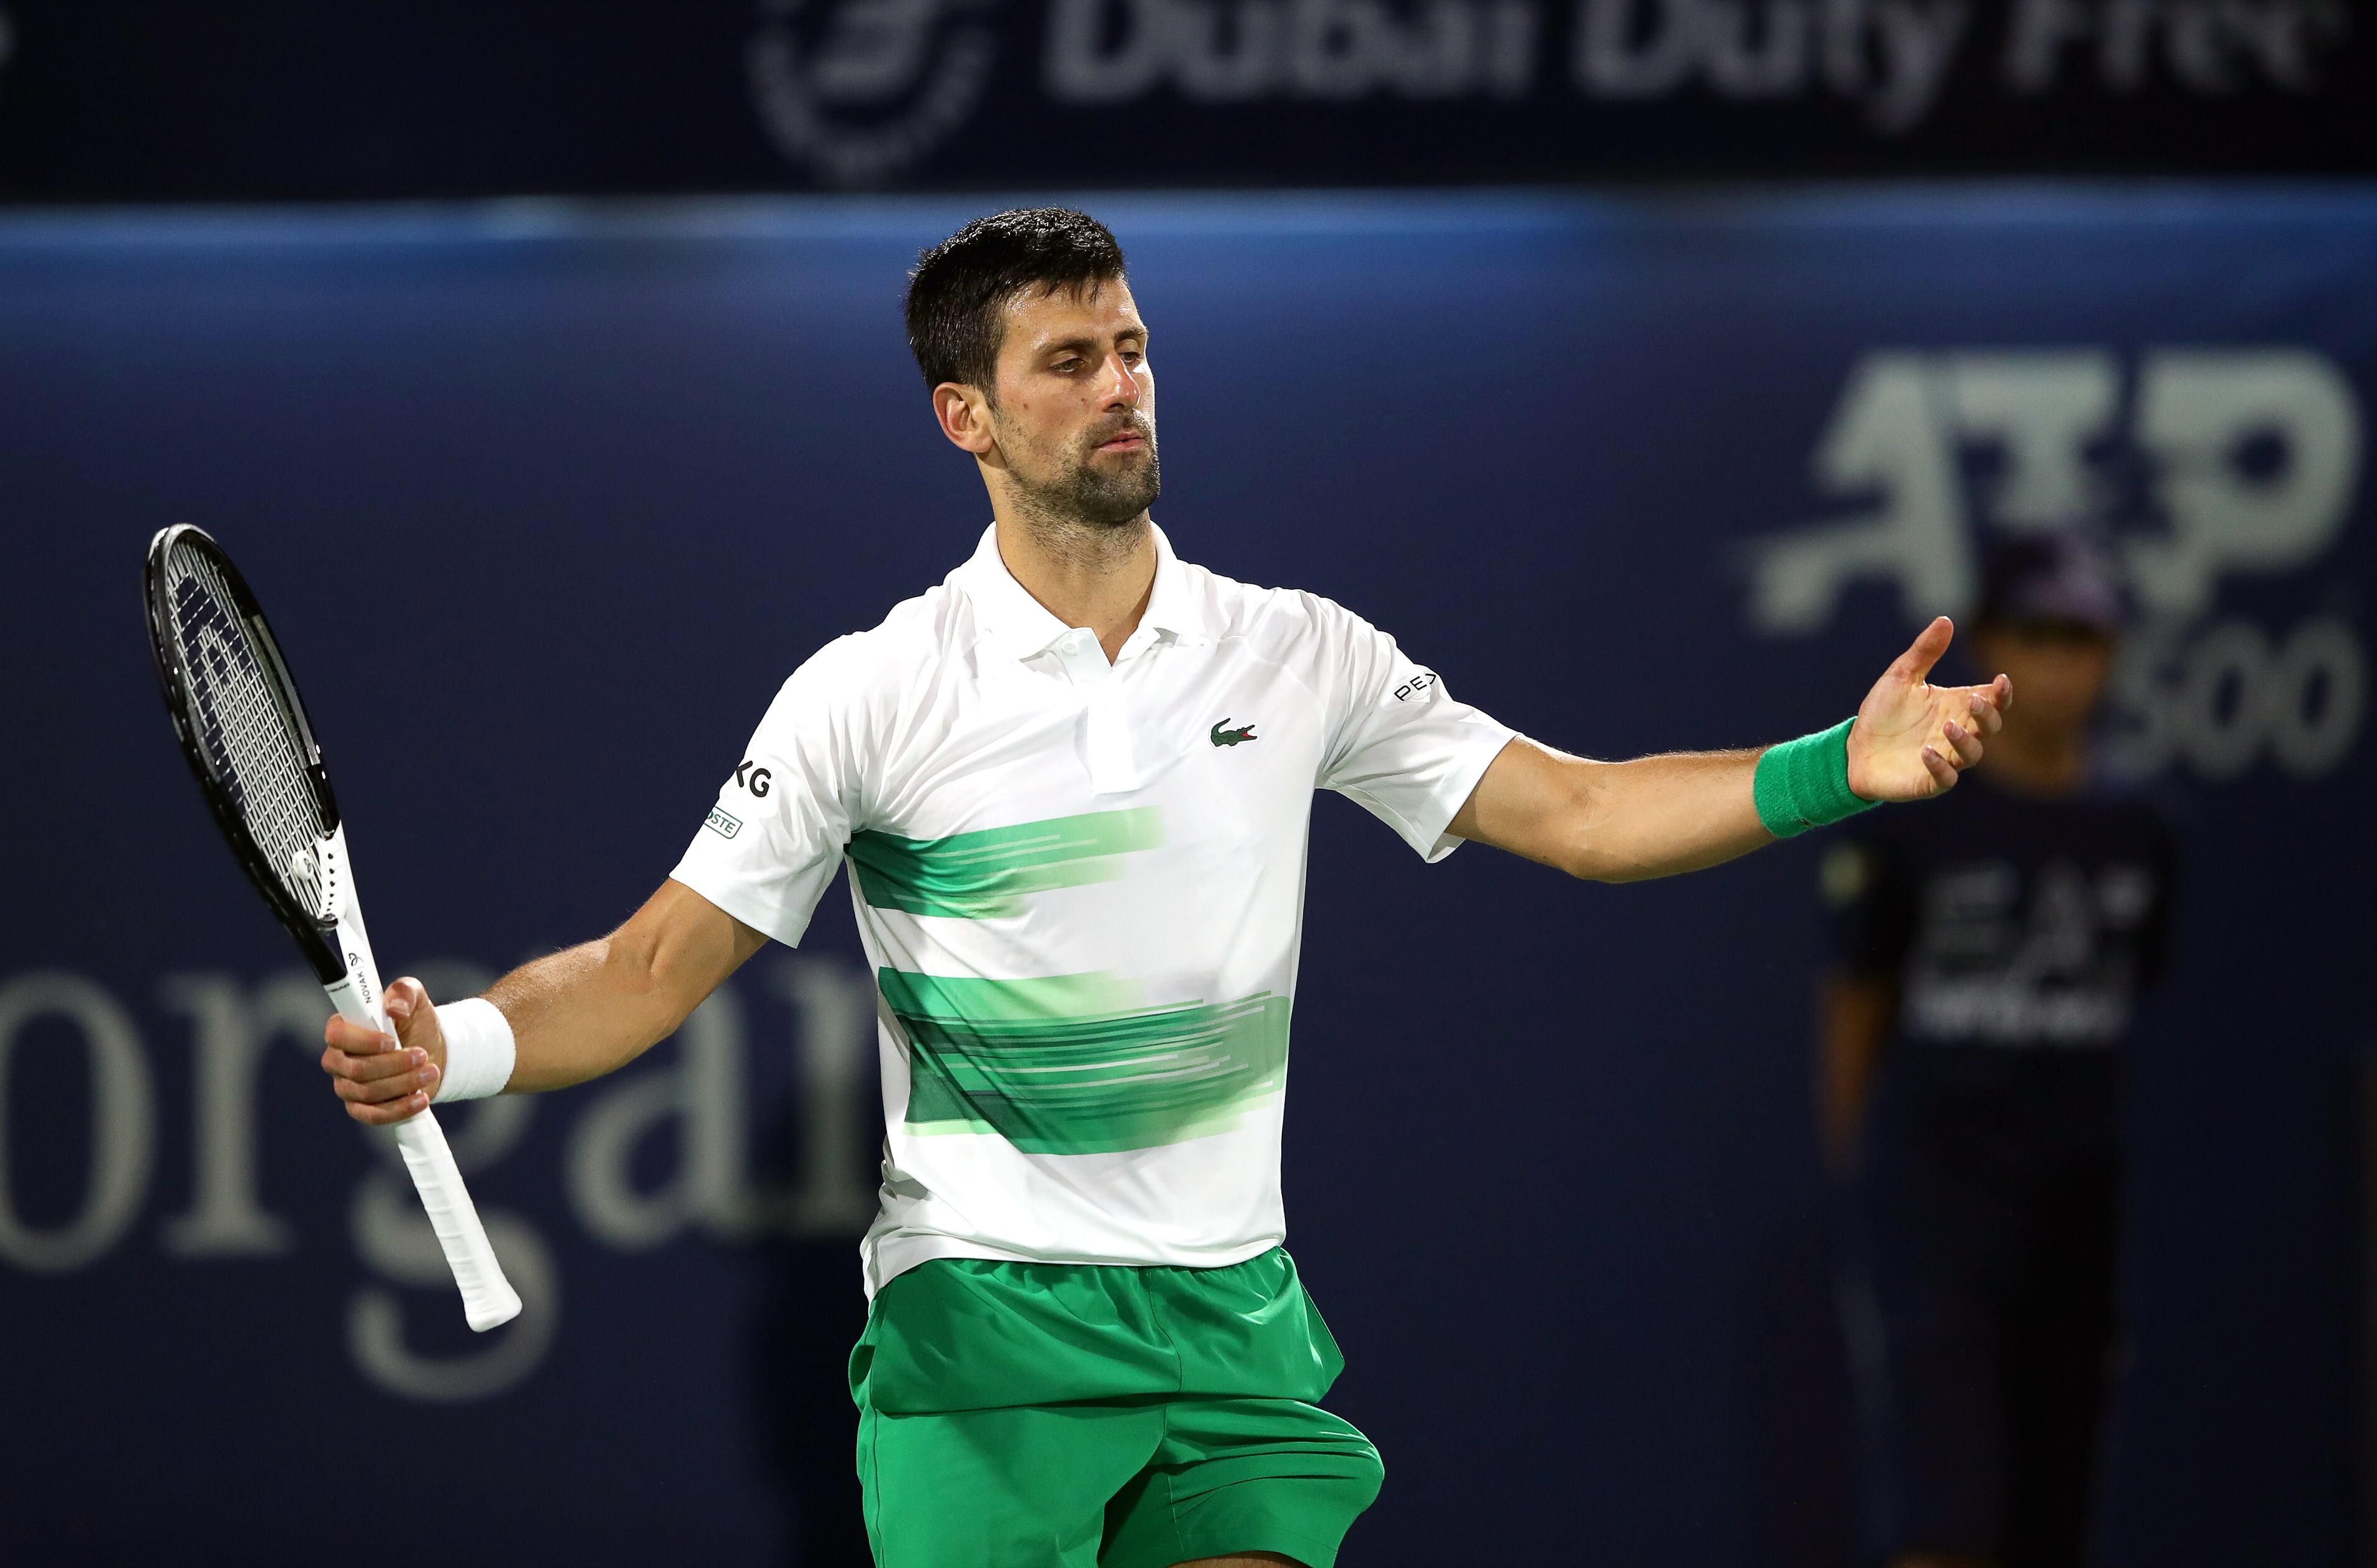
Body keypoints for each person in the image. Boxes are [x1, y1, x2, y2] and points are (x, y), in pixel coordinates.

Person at [320, 208, 2009, 1568]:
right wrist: (453, 1045)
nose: (1121, 383)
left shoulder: (1297, 650)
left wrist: (1828, 768)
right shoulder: (874, 689)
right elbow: (647, 964)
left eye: (1132, 346)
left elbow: (1573, 809)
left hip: (1234, 1319)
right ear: (966, 416)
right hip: (983, 1324)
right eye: (1069, 361)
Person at [1817, 536, 2178, 1568]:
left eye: (2085, 636)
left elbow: (2137, 986)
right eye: (2039, 634)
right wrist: (1873, 1189)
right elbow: (1855, 1005)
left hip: (2077, 1207)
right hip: (1936, 1207)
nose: (2062, 663)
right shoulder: (1914, 815)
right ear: (1993, 641)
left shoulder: (2144, 826)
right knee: (1946, 1512)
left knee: (2054, 1511)